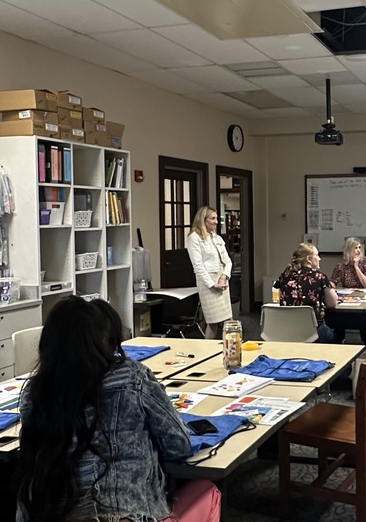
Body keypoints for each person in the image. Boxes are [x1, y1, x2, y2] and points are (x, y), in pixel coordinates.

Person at [17, 296, 196, 522]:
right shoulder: (131, 377)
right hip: (125, 513)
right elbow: (179, 445)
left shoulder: (34, 392)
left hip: (49, 513)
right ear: (102, 339)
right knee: (206, 489)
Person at [274, 243, 339, 343]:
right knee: (338, 334)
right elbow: (332, 303)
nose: (319, 259)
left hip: (287, 331)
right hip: (314, 332)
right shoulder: (319, 277)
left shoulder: (284, 275)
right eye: (317, 255)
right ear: (309, 259)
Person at [186, 205, 233, 339]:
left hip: (221, 280)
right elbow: (198, 266)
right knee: (213, 322)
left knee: (228, 319)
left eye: (216, 218)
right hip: (208, 283)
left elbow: (228, 261)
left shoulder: (216, 238)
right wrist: (212, 284)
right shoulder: (194, 238)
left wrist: (224, 277)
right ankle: (213, 351)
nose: (216, 222)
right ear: (203, 220)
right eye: (213, 218)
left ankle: (232, 350)